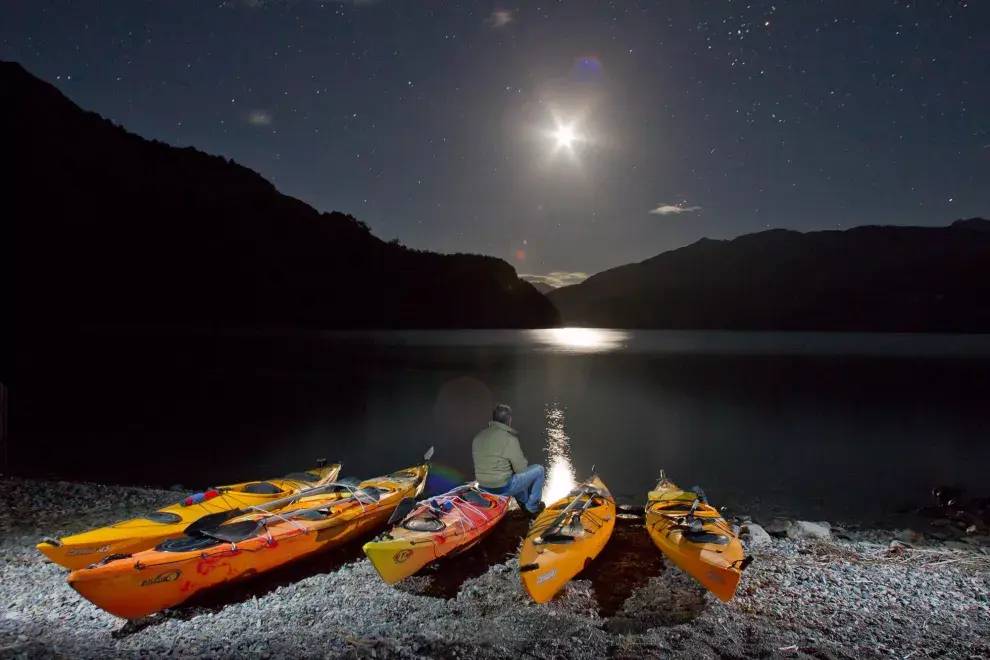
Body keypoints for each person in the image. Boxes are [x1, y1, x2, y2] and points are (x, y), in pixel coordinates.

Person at [471, 403, 545, 515]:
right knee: (538, 470)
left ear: (494, 419)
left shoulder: (478, 436)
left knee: (513, 475)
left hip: (482, 486)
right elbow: (521, 468)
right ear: (510, 421)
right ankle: (532, 507)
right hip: (501, 487)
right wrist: (523, 460)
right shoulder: (509, 439)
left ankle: (523, 502)